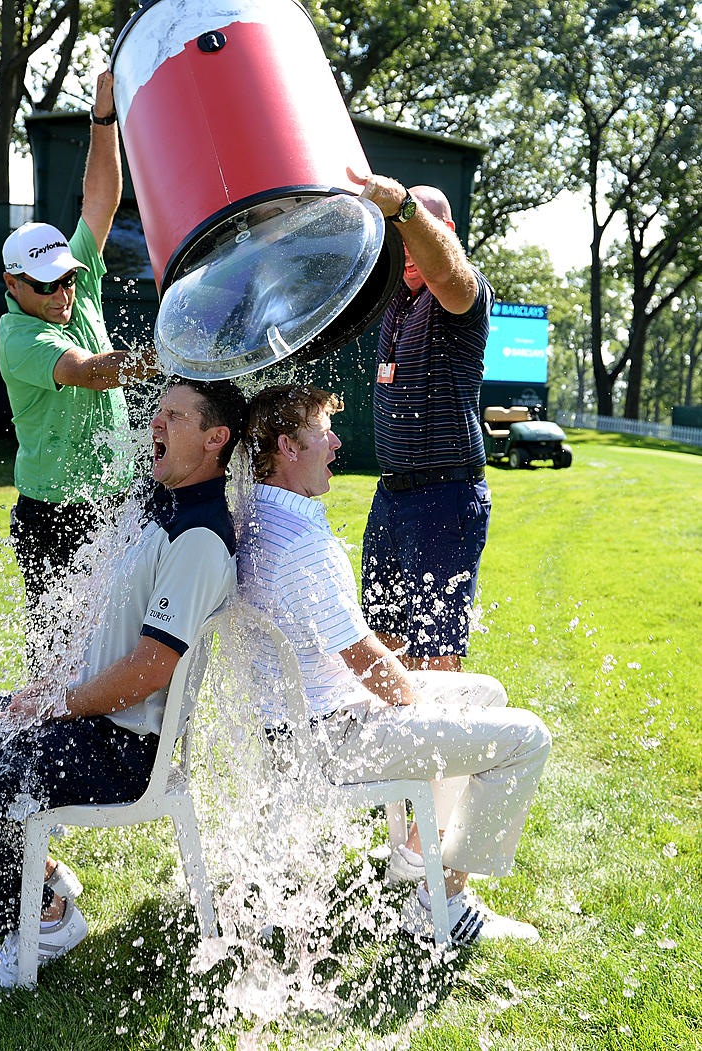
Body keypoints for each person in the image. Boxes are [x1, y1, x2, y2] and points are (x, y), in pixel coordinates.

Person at [0, 379, 248, 990]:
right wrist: (48, 693)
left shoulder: (200, 538)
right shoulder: (161, 504)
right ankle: (41, 883)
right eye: (158, 413)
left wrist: (56, 707)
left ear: (216, 438)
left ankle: (42, 921)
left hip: (121, 752)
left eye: (175, 417)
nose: (157, 425)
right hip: (88, 725)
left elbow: (149, 669)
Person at [239, 383, 551, 945]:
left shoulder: (257, 513)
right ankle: (446, 904)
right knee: (527, 738)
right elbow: (367, 663)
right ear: (287, 446)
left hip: (299, 724)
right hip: (328, 739)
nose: (335, 443)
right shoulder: (299, 540)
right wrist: (418, 700)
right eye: (321, 434)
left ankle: (416, 855)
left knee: (485, 695)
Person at [0, 69, 159, 675]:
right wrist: (166, 362)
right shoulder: (20, 336)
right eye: (48, 285)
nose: (66, 292)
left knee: (120, 643)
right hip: (55, 515)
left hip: (114, 498)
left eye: (69, 277)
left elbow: (102, 200)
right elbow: (90, 372)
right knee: (63, 659)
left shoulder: (71, 279)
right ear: (14, 285)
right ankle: (49, 749)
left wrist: (102, 117)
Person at [347, 170, 494, 672]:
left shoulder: (466, 291)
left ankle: (451, 743)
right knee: (382, 647)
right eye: (399, 233)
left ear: (446, 229)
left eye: (418, 230)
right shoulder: (395, 295)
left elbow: (449, 278)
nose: (406, 246)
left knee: (435, 656)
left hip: (445, 496)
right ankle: (400, 747)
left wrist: (406, 208)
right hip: (392, 495)